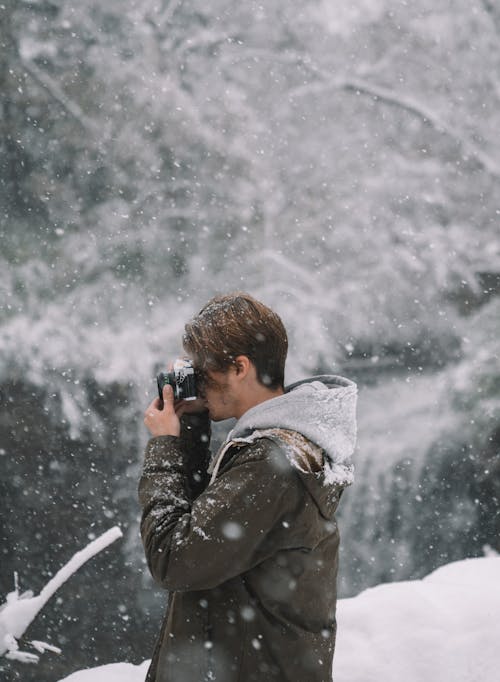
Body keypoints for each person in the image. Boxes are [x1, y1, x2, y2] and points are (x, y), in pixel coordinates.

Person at [139, 292, 357, 682]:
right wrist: (190, 431)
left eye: (203, 373)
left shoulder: (269, 464)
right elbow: (205, 536)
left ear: (240, 367)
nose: (198, 385)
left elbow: (174, 558)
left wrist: (166, 448)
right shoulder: (282, 446)